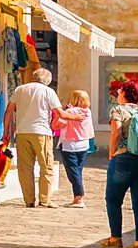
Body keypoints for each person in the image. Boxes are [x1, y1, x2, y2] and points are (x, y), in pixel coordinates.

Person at [100, 79, 138, 248]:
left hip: (124, 158)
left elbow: (116, 133)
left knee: (113, 199)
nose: (117, 94)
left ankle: (115, 238)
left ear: (124, 93)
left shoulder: (118, 110)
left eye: (119, 91)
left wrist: (111, 153)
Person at [8, 68, 63, 208]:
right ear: (48, 80)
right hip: (41, 132)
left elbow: (9, 111)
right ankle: (45, 199)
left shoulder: (20, 89)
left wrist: (5, 132)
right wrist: (75, 117)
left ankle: (29, 200)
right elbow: (59, 113)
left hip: (22, 132)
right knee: (46, 166)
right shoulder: (48, 91)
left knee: (25, 168)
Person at [54, 89, 94, 209]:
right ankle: (77, 196)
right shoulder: (88, 112)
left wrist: (65, 112)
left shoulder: (70, 112)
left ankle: (78, 196)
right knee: (78, 170)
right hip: (84, 143)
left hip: (69, 144)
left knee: (72, 171)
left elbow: (56, 125)